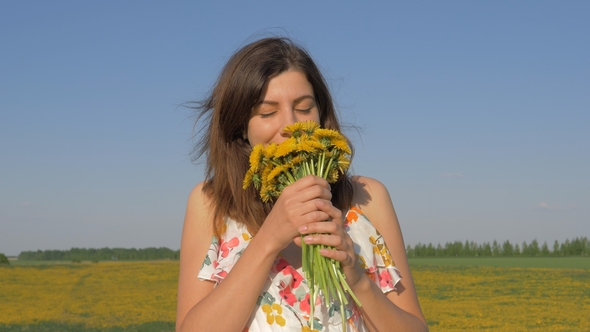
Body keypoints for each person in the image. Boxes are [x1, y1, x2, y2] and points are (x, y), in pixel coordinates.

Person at [176, 37, 428, 332]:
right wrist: (270, 238)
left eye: (304, 108)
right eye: (267, 112)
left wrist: (358, 280)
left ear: (321, 114)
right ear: (240, 126)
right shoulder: (210, 203)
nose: (290, 126)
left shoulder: (368, 198)